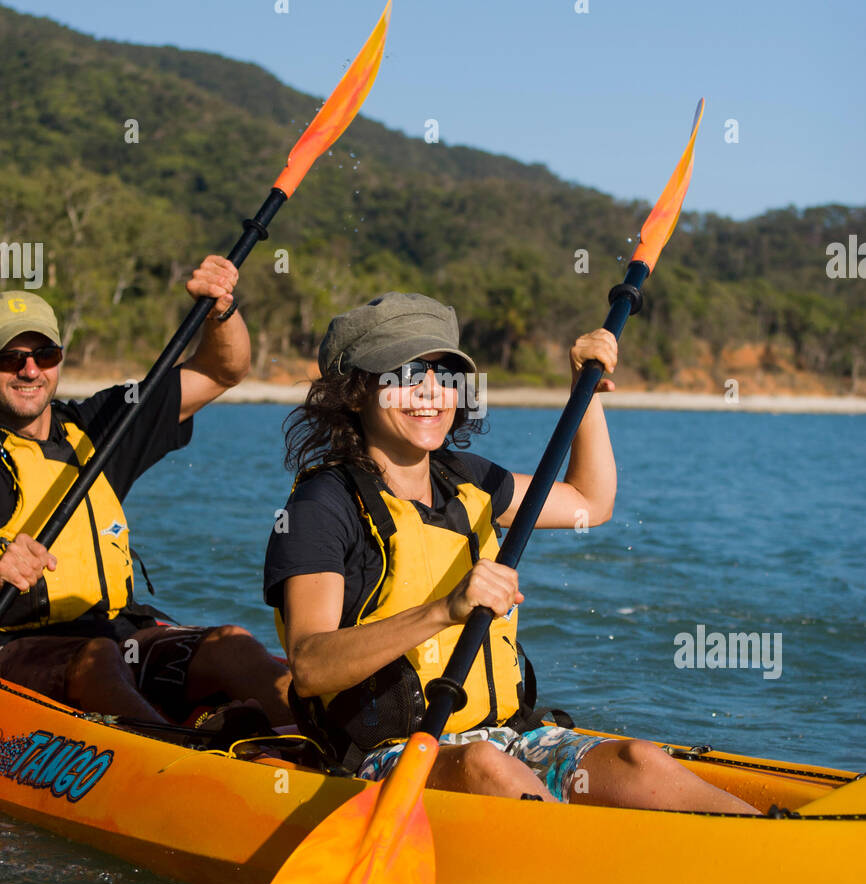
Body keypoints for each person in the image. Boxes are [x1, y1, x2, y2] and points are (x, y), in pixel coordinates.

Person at [264, 291, 759, 813]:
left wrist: (584, 394)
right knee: (485, 766)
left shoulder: (468, 480)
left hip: (508, 736)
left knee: (641, 759)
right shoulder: (323, 505)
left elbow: (591, 502)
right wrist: (443, 610)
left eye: (444, 375)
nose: (431, 392)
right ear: (357, 392)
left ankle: (769, 845)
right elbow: (311, 665)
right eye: (406, 374)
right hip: (387, 760)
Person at [0, 259, 291, 732]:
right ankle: (177, 762)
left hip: (120, 635)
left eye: (44, 355)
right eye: (9, 358)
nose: (29, 370)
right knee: (97, 658)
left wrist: (219, 309)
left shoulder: (101, 426)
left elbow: (222, 371)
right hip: (19, 650)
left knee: (233, 644)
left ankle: (331, 756)